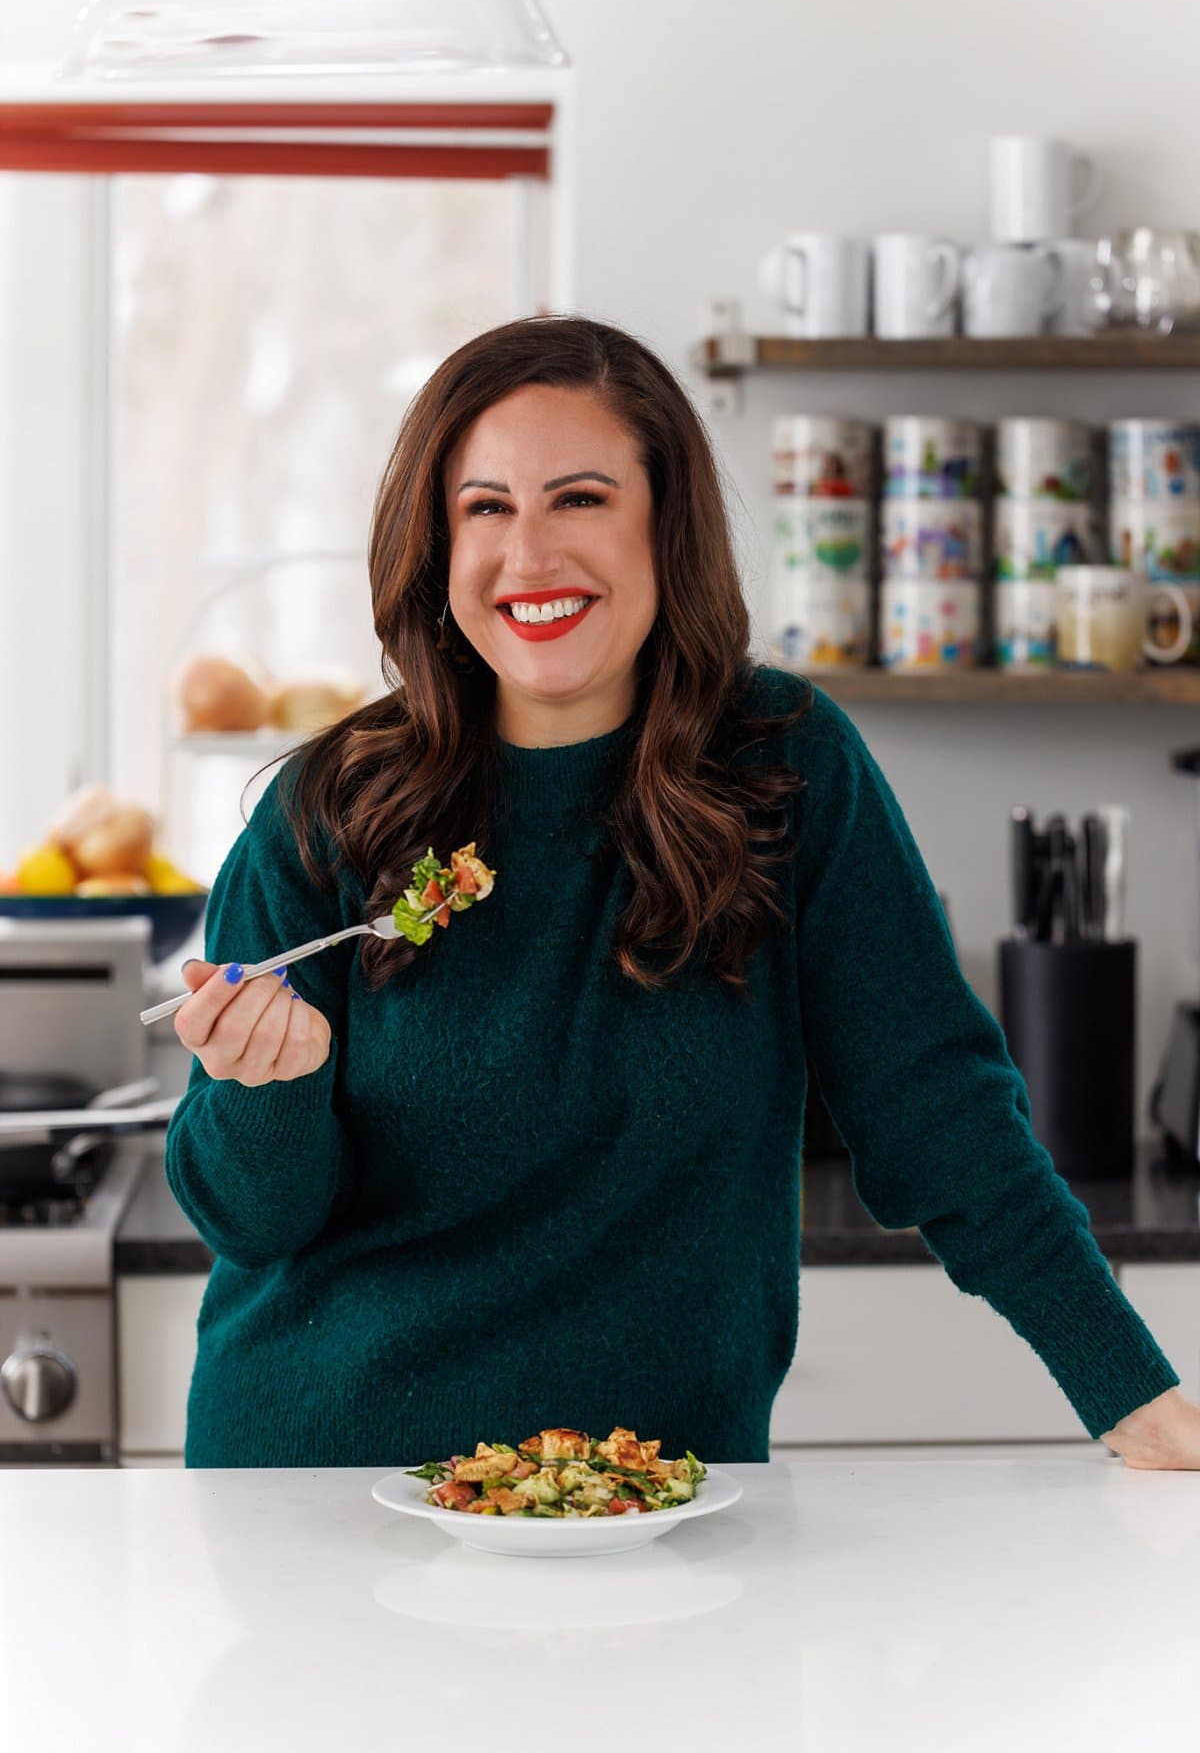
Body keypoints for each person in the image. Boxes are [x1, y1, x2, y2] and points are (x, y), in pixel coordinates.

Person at [167, 314, 1198, 1471]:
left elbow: (940, 1114)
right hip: (330, 1487)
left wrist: (1132, 1392)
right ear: (436, 545)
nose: (530, 555)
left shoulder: (787, 768)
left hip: (653, 1500)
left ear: (667, 524)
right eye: (487, 507)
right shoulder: (330, 807)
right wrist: (270, 1088)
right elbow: (249, 1219)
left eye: (581, 498)